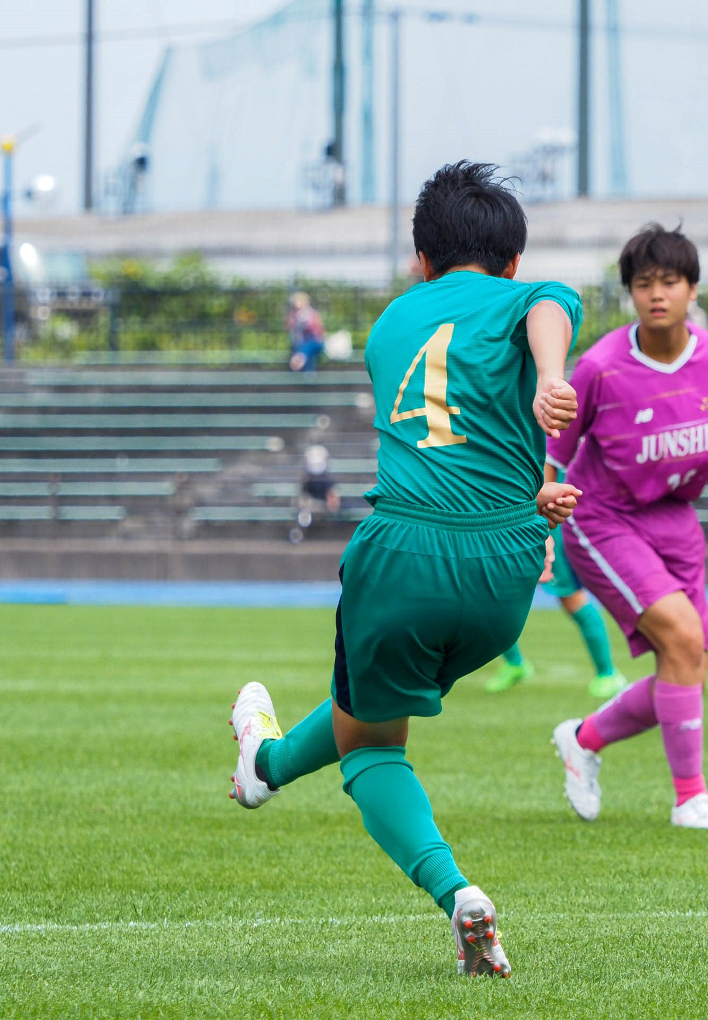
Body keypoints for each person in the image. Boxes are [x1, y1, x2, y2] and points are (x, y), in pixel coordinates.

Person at [226, 161, 581, 978]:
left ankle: (455, 892)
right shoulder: (533, 299)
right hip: (505, 575)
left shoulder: (390, 327)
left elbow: (444, 425)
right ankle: (263, 768)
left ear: (420, 259)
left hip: (406, 557)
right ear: (514, 261)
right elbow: (552, 308)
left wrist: (549, 378)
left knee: (373, 749)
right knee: (365, 715)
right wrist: (550, 393)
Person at [550, 223, 708, 831]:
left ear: (693, 290)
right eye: (643, 284)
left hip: (678, 521)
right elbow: (552, 454)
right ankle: (691, 798)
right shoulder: (601, 366)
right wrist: (538, 530)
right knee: (685, 642)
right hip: (602, 518)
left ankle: (582, 739)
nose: (656, 294)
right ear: (630, 293)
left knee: (685, 665)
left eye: (669, 281)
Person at [486, 492, 629, 699]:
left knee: (570, 597)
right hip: (509, 517)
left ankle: (607, 674)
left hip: (550, 519)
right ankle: (515, 663)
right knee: (489, 595)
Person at [286, 291, 325, 372]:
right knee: (303, 350)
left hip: (314, 342)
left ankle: (298, 359)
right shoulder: (293, 315)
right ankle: (308, 375)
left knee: (307, 347)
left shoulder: (313, 313)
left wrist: (307, 322)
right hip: (299, 343)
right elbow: (289, 326)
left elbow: (319, 331)